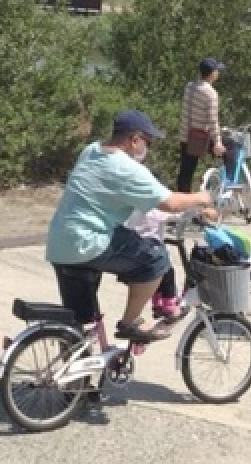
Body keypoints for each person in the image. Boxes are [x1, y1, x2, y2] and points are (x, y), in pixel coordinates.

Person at [45, 110, 214, 343]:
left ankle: (68, 372)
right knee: (156, 259)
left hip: (60, 243)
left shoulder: (91, 151)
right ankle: (130, 323)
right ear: (134, 140)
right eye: (148, 142)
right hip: (90, 242)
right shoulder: (126, 168)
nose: (148, 148)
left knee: (78, 322)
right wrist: (201, 198)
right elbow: (170, 203)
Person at [175, 57, 227, 193]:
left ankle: (182, 199)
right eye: (217, 71)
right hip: (198, 138)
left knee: (186, 171)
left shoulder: (189, 87)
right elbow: (212, 121)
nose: (218, 73)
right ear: (212, 74)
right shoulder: (211, 94)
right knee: (229, 151)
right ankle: (221, 186)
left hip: (185, 135)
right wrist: (218, 142)